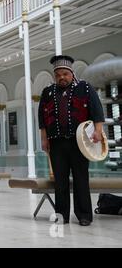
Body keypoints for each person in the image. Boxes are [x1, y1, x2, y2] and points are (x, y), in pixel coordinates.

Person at [39, 55, 105, 226]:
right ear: (55, 76)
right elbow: (42, 119)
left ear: (71, 73)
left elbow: (97, 110)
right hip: (56, 144)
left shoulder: (85, 88)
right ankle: (61, 215)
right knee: (60, 181)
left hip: (80, 143)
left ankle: (84, 215)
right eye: (58, 74)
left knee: (80, 179)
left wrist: (98, 131)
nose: (62, 77)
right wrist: (44, 139)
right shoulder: (47, 92)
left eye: (65, 74)